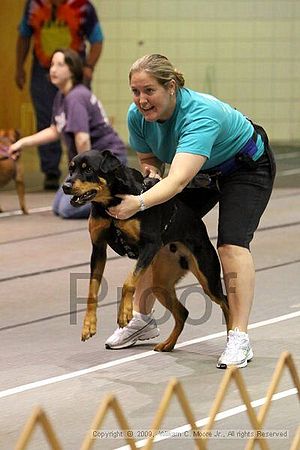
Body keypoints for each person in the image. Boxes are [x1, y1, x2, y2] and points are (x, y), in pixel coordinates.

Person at [104, 54, 276, 369]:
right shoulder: (136, 116)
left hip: (245, 168)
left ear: (171, 87)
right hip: (203, 172)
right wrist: (150, 171)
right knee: (154, 232)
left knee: (231, 244)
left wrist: (139, 202)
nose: (142, 100)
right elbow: (150, 160)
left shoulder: (200, 114)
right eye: (135, 91)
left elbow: (179, 179)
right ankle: (143, 320)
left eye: (149, 91)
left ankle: (239, 336)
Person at [9, 48, 127, 219]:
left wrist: (84, 178)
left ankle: (117, 198)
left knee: (68, 209)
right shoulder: (62, 96)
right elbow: (55, 129)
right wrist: (21, 143)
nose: (53, 69)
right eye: (52, 65)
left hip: (106, 163)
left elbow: (83, 139)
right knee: (57, 206)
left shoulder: (76, 97)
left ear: (72, 70)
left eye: (60, 65)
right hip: (91, 163)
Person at [15, 0, 104, 190]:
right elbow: (23, 36)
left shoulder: (83, 6)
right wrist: (19, 67)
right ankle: (51, 172)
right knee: (46, 119)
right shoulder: (33, 5)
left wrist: (88, 67)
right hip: (42, 69)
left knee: (79, 122)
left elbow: (97, 39)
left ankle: (86, 172)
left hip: (75, 68)